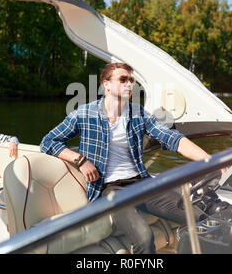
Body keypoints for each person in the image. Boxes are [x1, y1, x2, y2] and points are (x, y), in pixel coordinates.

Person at [40, 63, 214, 254]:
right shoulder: (84, 114)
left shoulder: (138, 114)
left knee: (201, 219)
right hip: (109, 189)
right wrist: (81, 160)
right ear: (106, 85)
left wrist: (209, 160)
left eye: (131, 80)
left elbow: (173, 139)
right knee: (144, 237)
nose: (129, 84)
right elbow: (49, 142)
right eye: (123, 79)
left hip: (141, 184)